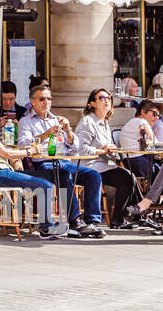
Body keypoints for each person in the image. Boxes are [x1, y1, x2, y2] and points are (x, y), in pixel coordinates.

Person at [0, 97, 68, 239]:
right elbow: (6, 153)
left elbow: (3, 150)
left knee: (48, 176)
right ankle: (47, 228)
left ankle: (53, 221)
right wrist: (29, 152)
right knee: (46, 186)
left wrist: (25, 149)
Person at [17, 83, 105, 237]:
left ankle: (92, 221)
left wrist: (68, 130)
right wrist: (46, 134)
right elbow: (23, 144)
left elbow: (75, 146)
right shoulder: (26, 121)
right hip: (43, 164)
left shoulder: (56, 119)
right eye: (42, 99)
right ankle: (75, 221)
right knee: (64, 175)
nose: (47, 102)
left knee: (93, 176)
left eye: (49, 98)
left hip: (64, 161)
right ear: (33, 102)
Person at [73, 88, 139, 227]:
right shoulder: (88, 122)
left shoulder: (105, 123)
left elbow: (105, 151)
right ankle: (128, 214)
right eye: (102, 98)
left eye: (109, 98)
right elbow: (80, 149)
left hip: (103, 165)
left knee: (128, 176)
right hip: (89, 166)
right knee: (127, 177)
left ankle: (123, 216)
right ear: (92, 103)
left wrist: (113, 153)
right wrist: (102, 150)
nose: (107, 101)